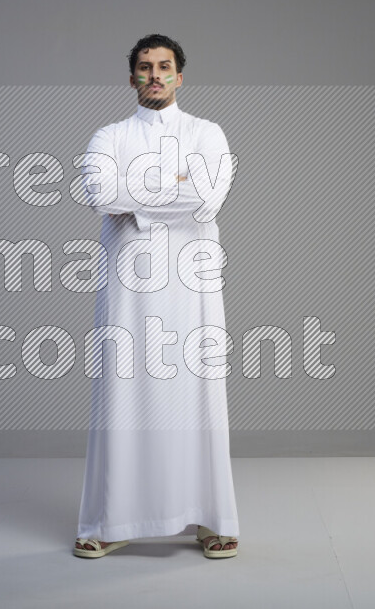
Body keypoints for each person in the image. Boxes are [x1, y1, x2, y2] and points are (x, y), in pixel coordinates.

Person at [73, 34, 240, 559]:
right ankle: (111, 519)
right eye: (144, 68)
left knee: (198, 397)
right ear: (131, 79)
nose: (154, 76)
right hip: (128, 285)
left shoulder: (207, 132)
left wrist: (137, 196)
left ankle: (211, 519)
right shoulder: (110, 134)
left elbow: (208, 199)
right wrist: (174, 185)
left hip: (192, 286)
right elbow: (99, 193)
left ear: (179, 77)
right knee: (123, 397)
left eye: (164, 67)